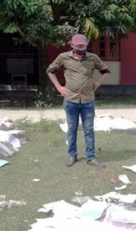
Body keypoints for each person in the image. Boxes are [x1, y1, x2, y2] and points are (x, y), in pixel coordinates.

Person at [46, 33, 110, 167]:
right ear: (72, 45)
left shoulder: (93, 58)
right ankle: (72, 156)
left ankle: (91, 157)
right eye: (78, 46)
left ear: (87, 45)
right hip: (70, 100)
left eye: (84, 46)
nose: (81, 48)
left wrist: (97, 84)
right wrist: (59, 87)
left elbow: (106, 71)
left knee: (89, 130)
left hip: (88, 100)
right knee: (72, 129)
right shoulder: (63, 57)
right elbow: (50, 71)